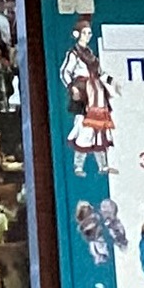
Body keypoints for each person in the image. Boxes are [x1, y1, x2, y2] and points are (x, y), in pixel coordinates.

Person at [58, 16, 113, 176]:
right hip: (83, 94)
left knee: (99, 128)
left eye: (89, 33)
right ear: (78, 34)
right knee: (83, 129)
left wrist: (113, 83)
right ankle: (78, 166)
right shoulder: (73, 54)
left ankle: (103, 166)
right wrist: (72, 88)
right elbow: (64, 72)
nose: (88, 36)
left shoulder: (90, 54)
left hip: (97, 95)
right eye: (85, 33)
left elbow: (100, 73)